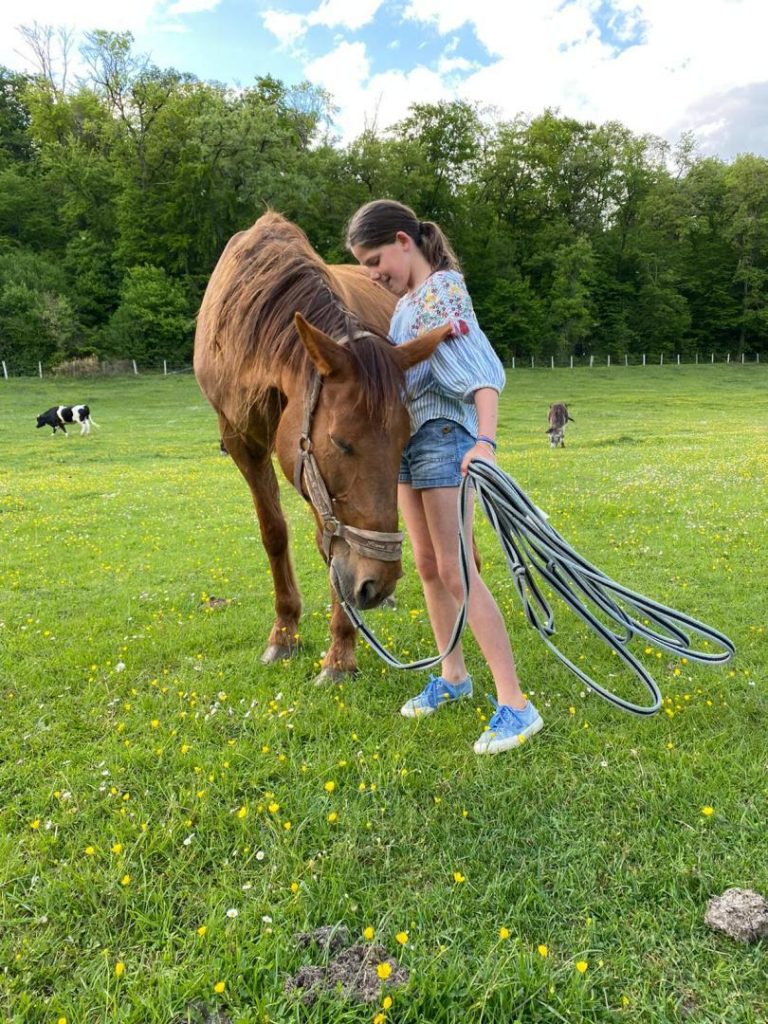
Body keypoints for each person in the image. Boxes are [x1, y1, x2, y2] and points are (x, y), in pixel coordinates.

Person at [346, 199, 543, 754]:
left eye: (375, 257)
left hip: (444, 440)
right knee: (429, 567)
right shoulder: (404, 306)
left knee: (458, 570)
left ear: (404, 241)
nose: (372, 271)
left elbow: (478, 366)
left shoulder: (443, 290)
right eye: (364, 263)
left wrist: (485, 439)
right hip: (408, 446)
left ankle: (516, 704)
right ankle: (453, 677)